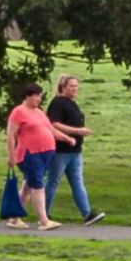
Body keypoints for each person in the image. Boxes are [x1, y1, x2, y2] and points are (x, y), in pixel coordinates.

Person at [0, 81, 81, 229]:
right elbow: (11, 135)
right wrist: (10, 156)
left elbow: (50, 130)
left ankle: (14, 218)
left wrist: (67, 138)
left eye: (40, 96)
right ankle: (44, 221)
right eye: (37, 96)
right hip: (30, 154)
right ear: (28, 96)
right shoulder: (18, 112)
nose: (39, 99)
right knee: (38, 186)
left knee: (27, 187)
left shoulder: (40, 112)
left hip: (45, 154)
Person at [45, 74, 102, 224]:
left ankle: (87, 214)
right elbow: (54, 124)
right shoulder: (57, 103)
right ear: (63, 87)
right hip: (61, 150)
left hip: (75, 151)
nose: (75, 89)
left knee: (77, 182)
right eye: (72, 86)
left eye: (76, 86)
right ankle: (44, 213)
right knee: (53, 181)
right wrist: (77, 131)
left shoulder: (72, 103)